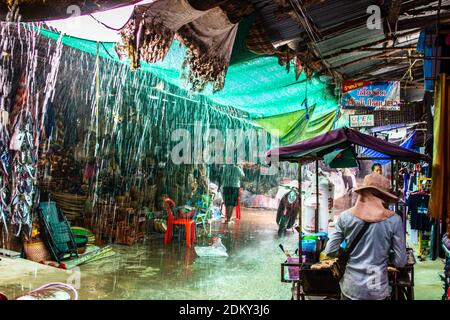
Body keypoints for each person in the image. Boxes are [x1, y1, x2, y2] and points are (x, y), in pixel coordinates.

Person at [322, 173, 407, 300]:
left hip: (351, 287)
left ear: (362, 194)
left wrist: (347, 252)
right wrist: (384, 255)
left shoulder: (345, 217)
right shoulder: (394, 220)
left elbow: (330, 250)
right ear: (383, 198)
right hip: (377, 289)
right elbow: (400, 261)